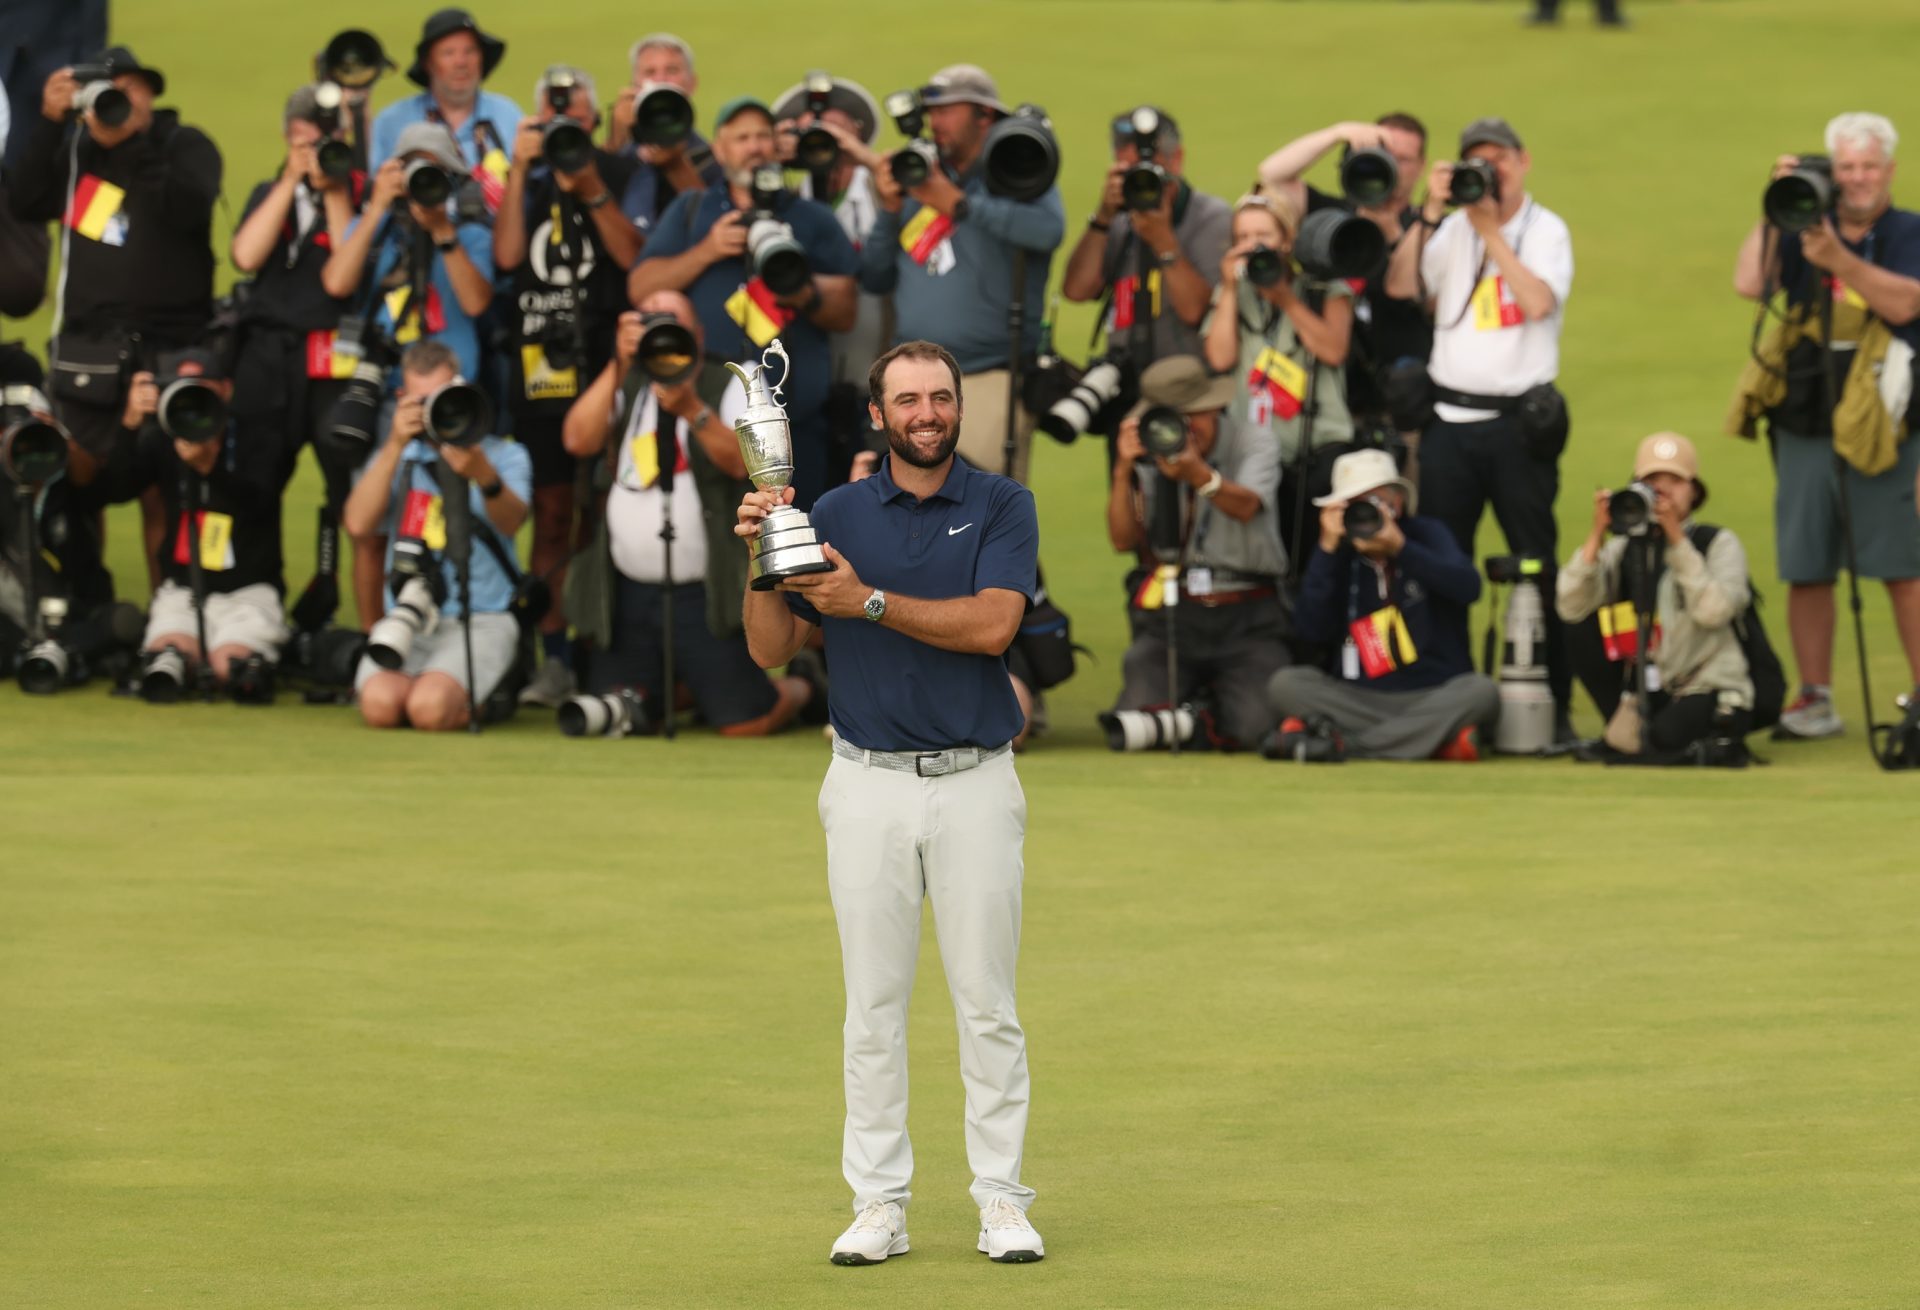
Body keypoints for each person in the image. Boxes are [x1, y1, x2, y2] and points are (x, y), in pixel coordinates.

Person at [736, 340, 1044, 1267]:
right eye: (906, 398)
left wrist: (866, 601)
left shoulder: (1002, 504)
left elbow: (995, 624)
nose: (926, 412)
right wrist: (759, 545)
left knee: (986, 1003)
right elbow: (770, 649)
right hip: (864, 780)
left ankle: (1000, 1198)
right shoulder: (828, 511)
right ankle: (878, 1203)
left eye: (940, 397)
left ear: (958, 409)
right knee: (872, 1006)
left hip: (976, 781)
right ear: (878, 414)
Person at [1384, 116, 1576, 742]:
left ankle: (1553, 706)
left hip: (1520, 423)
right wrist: (1432, 214)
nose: (1488, 173)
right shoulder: (1450, 228)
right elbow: (1403, 288)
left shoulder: (1545, 230)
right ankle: (1452, 703)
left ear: (1522, 162)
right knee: (1444, 564)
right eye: (1475, 163)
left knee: (1536, 562)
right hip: (1449, 422)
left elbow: (1539, 301)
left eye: (1497, 161)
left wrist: (1492, 234)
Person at [1731, 112, 1920, 738]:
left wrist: (1839, 258)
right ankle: (1814, 697)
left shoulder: (1908, 232)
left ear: (1889, 171)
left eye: (1869, 166)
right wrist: (1774, 205)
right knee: (1806, 560)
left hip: (1885, 422)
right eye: (1846, 168)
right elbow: (1750, 283)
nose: (1858, 179)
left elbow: (1906, 302)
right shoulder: (1801, 223)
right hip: (1807, 417)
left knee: (1901, 563)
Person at [560, 293, 812, 733]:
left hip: (705, 593)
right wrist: (618, 364)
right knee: (619, 714)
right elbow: (577, 440)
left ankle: (805, 687)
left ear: (697, 334)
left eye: (671, 323)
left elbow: (743, 463)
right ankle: (685, 687)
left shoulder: (728, 380)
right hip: (630, 592)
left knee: (744, 724)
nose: (661, 333)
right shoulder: (629, 381)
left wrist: (691, 409)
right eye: (650, 322)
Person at [628, 97, 858, 509]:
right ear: (719, 149)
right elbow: (642, 286)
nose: (754, 147)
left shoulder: (811, 217)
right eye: (742, 138)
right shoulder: (693, 209)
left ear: (777, 146)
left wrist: (801, 289)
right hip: (709, 413)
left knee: (801, 548)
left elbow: (846, 310)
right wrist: (707, 251)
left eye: (763, 137)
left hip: (797, 421)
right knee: (721, 542)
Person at [9, 47, 221, 490]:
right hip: (90, 348)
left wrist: (131, 146)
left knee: (165, 487)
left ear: (150, 95)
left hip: (172, 341)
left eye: (128, 90)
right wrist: (50, 121)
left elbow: (188, 209)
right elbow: (25, 202)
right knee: (82, 479)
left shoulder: (184, 144)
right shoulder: (77, 151)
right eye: (106, 92)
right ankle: (85, 562)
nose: (118, 102)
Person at [495, 65, 641, 706]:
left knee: (608, 510)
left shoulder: (615, 171)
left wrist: (589, 186)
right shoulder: (521, 179)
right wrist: (517, 173)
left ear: (595, 120)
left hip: (606, 358)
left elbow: (634, 256)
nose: (567, 131)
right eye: (555, 122)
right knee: (552, 514)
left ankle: (603, 643)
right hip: (539, 370)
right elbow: (504, 258)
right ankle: (551, 655)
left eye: (577, 120)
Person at [322, 120, 495, 624]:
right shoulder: (377, 230)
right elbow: (336, 280)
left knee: (458, 519)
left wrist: (441, 230)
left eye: (433, 170)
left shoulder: (469, 232)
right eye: (411, 168)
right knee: (370, 530)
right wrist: (377, 205)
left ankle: (463, 628)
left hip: (455, 399)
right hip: (387, 400)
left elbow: (477, 301)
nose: (423, 180)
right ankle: (376, 645)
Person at [858, 64, 1065, 484]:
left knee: (982, 512)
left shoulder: (1020, 167)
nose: (936, 122)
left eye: (948, 111)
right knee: (903, 510)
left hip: (987, 375)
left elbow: (1047, 230)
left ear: (984, 116)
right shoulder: (920, 175)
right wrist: (891, 209)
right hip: (910, 378)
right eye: (932, 111)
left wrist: (958, 204)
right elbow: (875, 276)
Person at [343, 340, 531, 730]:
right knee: (380, 705)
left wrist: (483, 474)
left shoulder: (503, 456)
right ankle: (463, 688)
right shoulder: (398, 457)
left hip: (483, 615)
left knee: (428, 709)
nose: (435, 411)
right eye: (422, 401)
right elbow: (359, 525)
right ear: (403, 399)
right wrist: (394, 444)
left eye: (443, 397)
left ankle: (492, 691)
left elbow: (513, 522)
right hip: (411, 617)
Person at [1105, 355, 1288, 751]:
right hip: (1177, 611)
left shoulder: (1253, 441)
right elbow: (1122, 540)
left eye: (1192, 418)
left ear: (1214, 407)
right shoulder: (1154, 451)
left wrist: (1196, 473)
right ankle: (1202, 715)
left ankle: (1199, 716)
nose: (1184, 431)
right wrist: (1123, 470)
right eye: (1174, 420)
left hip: (1248, 613)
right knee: (1138, 720)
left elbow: (1247, 507)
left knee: (1257, 728)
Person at [1267, 447, 1496, 761]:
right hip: (1356, 696)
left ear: (1397, 503)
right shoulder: (1337, 556)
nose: (1365, 515)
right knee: (1285, 684)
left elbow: (1469, 588)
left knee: (1482, 692)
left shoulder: (1428, 535)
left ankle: (1342, 743)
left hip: (1431, 692)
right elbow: (1310, 629)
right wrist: (1326, 549)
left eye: (1373, 503)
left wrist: (1401, 548)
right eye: (1354, 505)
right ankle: (1431, 741)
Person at [1558, 434, 1756, 759]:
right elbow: (1570, 605)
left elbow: (1713, 612)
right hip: (1646, 685)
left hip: (1706, 684)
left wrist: (1678, 543)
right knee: (1578, 627)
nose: (1663, 491)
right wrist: (1597, 534)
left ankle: (1644, 737)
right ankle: (1624, 728)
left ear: (1694, 490)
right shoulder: (1626, 548)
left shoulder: (1717, 543)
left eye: (1675, 481)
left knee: (1663, 739)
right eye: (1652, 481)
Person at [107, 349, 289, 695]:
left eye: (203, 389)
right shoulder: (165, 438)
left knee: (229, 667)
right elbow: (116, 489)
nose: (194, 401)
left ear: (226, 390)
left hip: (248, 593)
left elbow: (259, 503)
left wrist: (211, 469)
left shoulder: (259, 439)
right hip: (183, 592)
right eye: (183, 390)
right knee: (169, 661)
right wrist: (129, 425)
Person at [1257, 113, 1435, 450]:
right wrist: (1337, 133)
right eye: (1385, 155)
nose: (1394, 167)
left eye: (1404, 159)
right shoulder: (1329, 219)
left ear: (1421, 166)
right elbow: (1272, 176)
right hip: (1334, 406)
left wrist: (1394, 236)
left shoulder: (1431, 227)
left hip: (1406, 407)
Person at [227, 86, 365, 520]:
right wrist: (290, 180)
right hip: (269, 360)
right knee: (254, 489)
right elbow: (246, 256)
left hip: (333, 362)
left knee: (350, 495)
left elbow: (348, 277)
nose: (321, 150)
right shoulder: (270, 192)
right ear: (290, 137)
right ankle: (257, 588)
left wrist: (335, 191)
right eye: (309, 141)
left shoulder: (362, 194)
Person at [1201, 192, 1354, 570]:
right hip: (1256, 456)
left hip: (1317, 451)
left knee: (1318, 559)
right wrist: (1231, 289)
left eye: (1263, 236)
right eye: (1243, 237)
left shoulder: (1325, 291)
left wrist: (1285, 297)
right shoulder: (1232, 295)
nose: (1253, 246)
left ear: (1287, 241)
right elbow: (1219, 358)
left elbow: (1333, 350)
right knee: (1263, 560)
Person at [772, 72, 891, 482]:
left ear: (858, 135)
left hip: (870, 380)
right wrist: (773, 155)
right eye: (809, 131)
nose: (823, 141)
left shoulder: (881, 191)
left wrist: (865, 159)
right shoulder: (781, 197)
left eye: (835, 131)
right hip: (800, 385)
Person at [1060, 106, 1230, 372]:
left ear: (1177, 160)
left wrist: (1163, 240)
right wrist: (1102, 218)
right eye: (1131, 174)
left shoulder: (1211, 218)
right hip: (1120, 373)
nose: (1142, 185)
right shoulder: (1119, 218)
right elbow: (1076, 291)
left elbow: (1196, 312)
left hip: (1185, 380)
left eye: (1151, 172)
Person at [367, 7, 522, 210]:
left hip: (495, 235)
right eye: (448, 53)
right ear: (428, 63)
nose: (461, 62)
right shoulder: (392, 121)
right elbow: (374, 200)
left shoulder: (508, 114)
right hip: (412, 236)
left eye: (470, 51)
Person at [605, 33, 722, 237]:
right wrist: (616, 137)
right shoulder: (622, 153)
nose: (660, 80)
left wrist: (674, 161)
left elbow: (714, 222)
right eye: (650, 72)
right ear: (634, 86)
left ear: (692, 83)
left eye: (672, 70)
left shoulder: (711, 158)